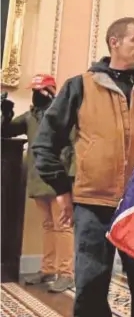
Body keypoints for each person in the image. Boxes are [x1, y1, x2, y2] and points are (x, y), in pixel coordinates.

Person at [32, 17, 134, 317]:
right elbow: (45, 143)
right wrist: (63, 190)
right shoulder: (80, 86)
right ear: (114, 42)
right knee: (90, 290)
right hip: (93, 205)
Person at [1, 74, 75, 293]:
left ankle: (66, 273)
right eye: (33, 90)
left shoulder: (63, 114)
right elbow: (7, 131)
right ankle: (48, 268)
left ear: (51, 91)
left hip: (58, 179)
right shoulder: (29, 116)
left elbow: (74, 146)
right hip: (37, 178)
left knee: (62, 227)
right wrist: (6, 113)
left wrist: (70, 178)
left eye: (39, 90)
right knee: (48, 225)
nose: (35, 95)